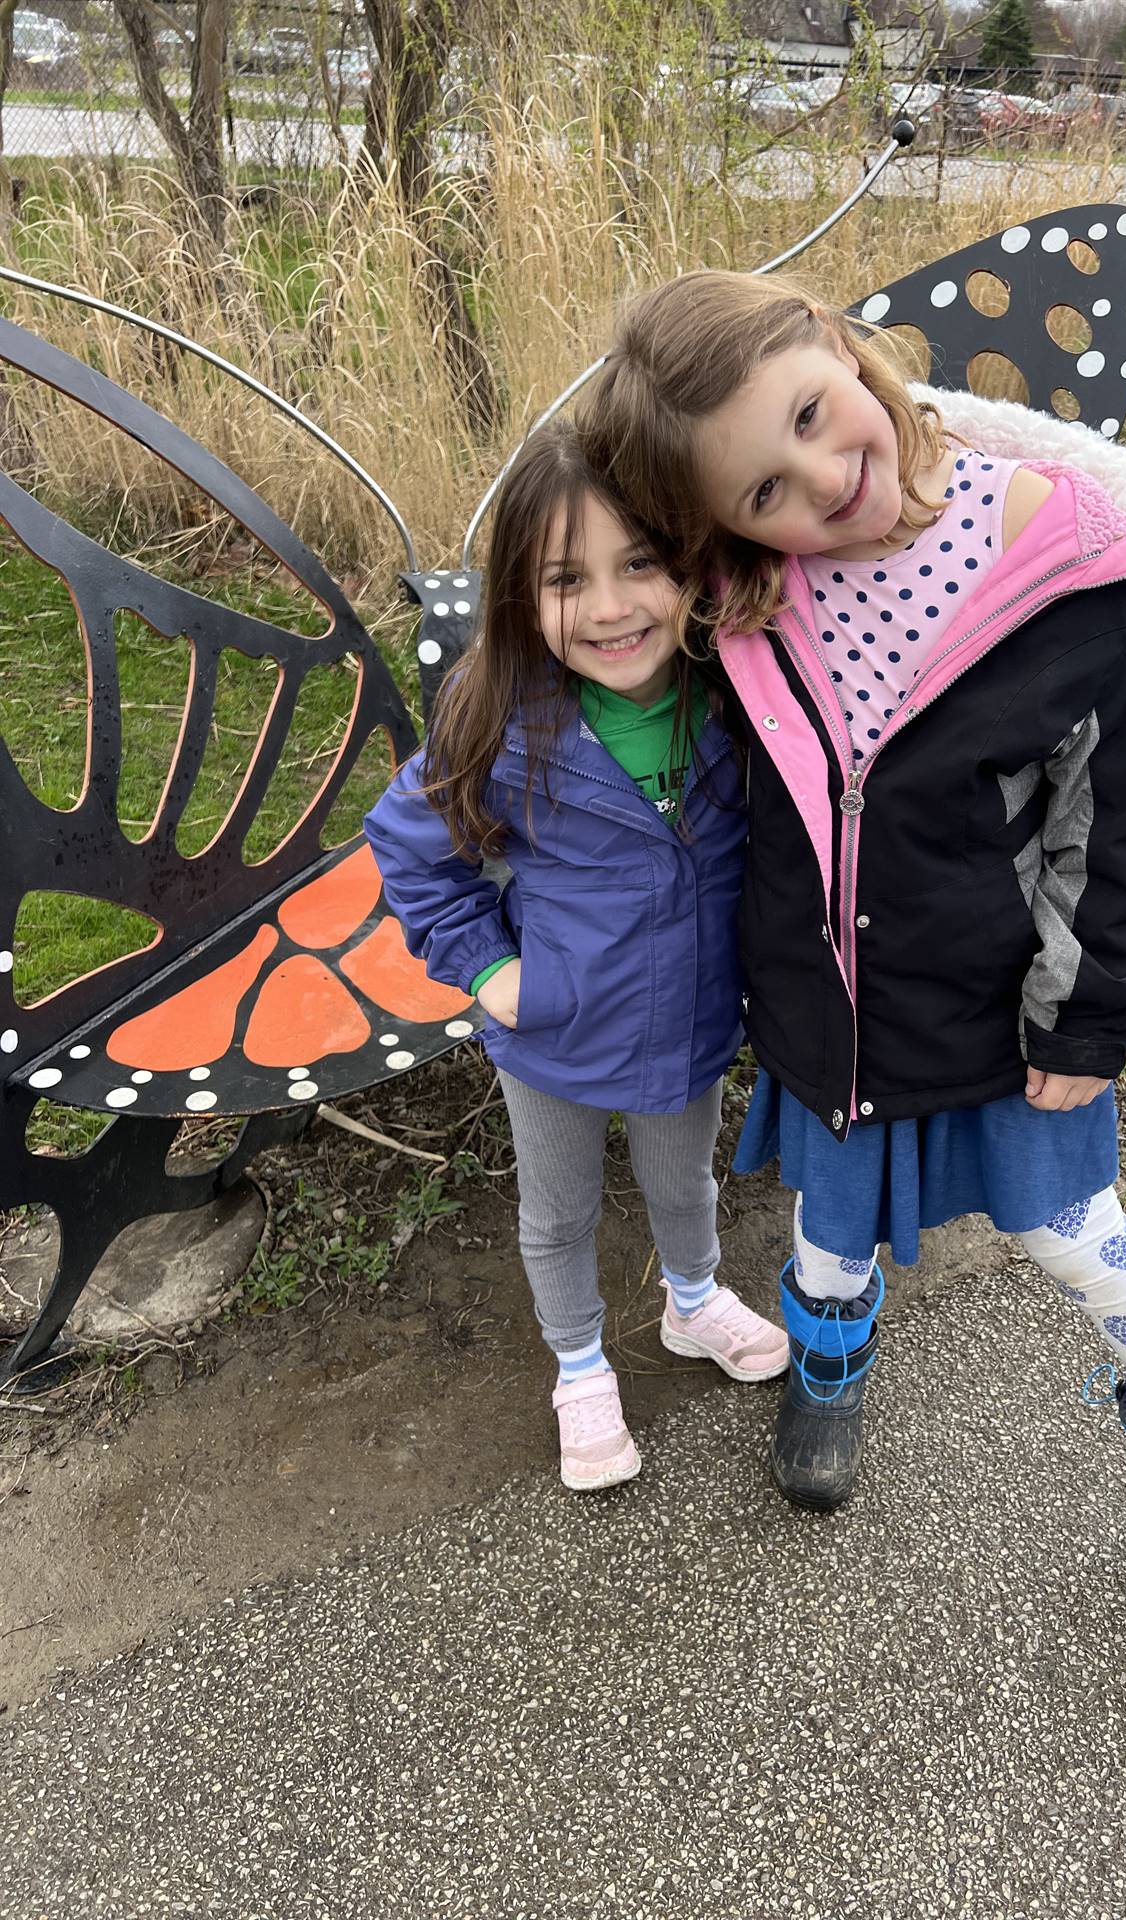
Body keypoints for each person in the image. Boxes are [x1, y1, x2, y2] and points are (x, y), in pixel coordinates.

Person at [575, 268, 1126, 1546]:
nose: (823, 477)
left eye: (813, 415)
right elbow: (631, 678)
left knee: (1077, 1233)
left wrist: (1088, 1013)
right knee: (830, 1231)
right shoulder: (744, 605)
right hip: (834, 1012)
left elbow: (1123, 823)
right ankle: (827, 1376)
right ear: (723, 525)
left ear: (840, 346)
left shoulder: (1070, 571)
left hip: (1010, 1014)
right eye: (764, 490)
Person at [364, 421, 786, 1494]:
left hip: (693, 1019)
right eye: (566, 580)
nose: (609, 607)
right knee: (558, 1211)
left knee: (684, 1181)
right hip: (552, 1029)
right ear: (521, 596)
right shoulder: (500, 719)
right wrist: (490, 970)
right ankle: (580, 1363)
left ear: (690, 564)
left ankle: (693, 1300)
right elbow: (409, 845)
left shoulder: (739, 700)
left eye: (639, 564)